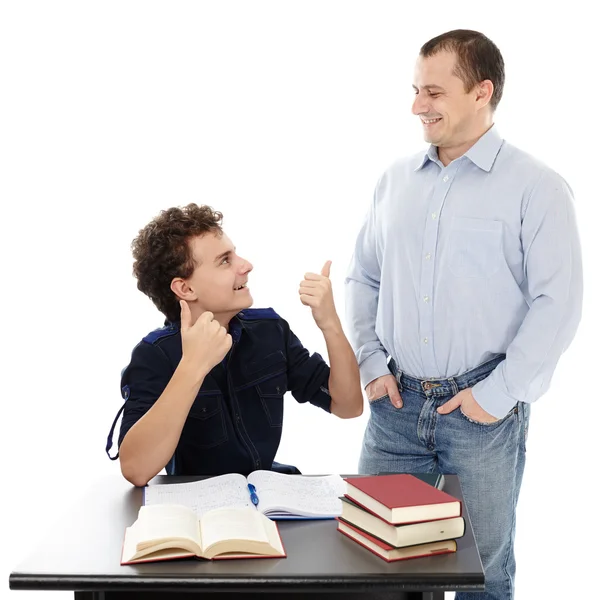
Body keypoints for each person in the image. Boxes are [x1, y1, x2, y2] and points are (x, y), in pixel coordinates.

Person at [345, 29, 582, 600]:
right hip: (395, 407)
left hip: (482, 414)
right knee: (367, 560)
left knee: (482, 572)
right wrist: (372, 364)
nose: (416, 106)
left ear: (482, 91)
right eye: (414, 90)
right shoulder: (394, 181)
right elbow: (364, 277)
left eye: (433, 92)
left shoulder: (537, 188)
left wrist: (495, 396)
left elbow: (559, 303)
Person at [106, 203, 362, 486]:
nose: (246, 265)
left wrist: (330, 323)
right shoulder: (154, 355)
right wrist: (192, 366)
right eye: (225, 260)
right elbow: (136, 470)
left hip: (269, 497)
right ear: (185, 289)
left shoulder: (270, 330)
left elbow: (348, 405)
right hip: (202, 513)